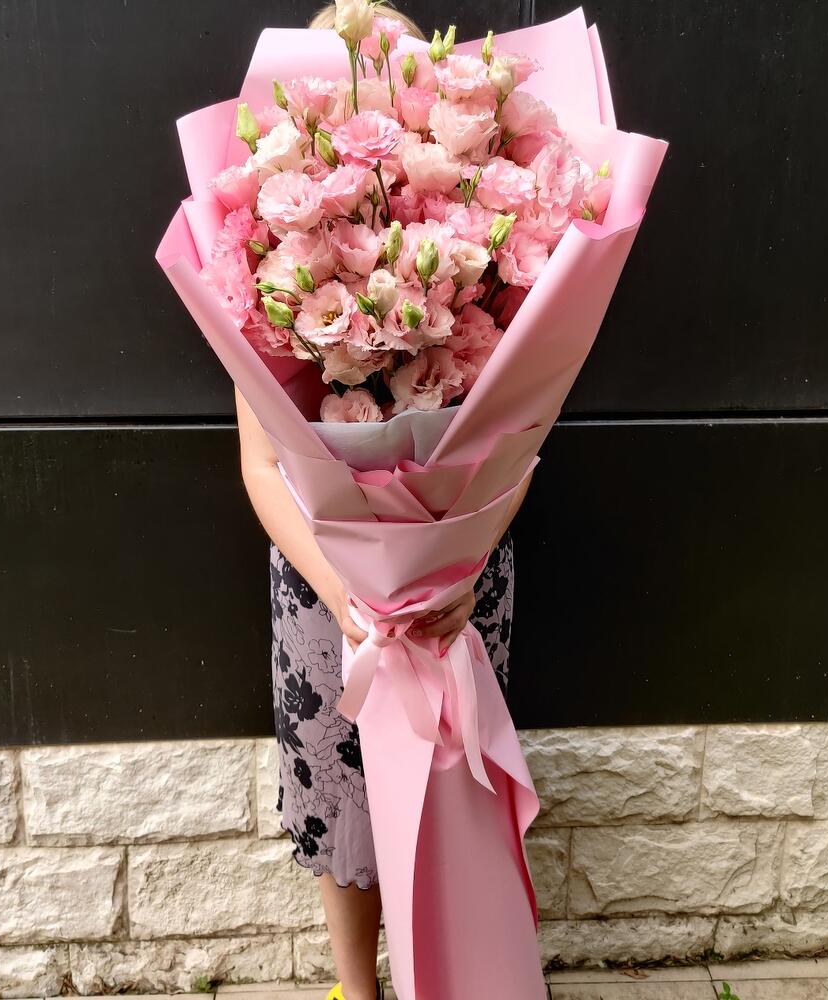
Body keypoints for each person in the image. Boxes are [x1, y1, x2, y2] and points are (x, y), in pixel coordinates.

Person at [234, 7, 532, 999]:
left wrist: (466, 565)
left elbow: (520, 444)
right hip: (325, 585)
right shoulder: (269, 278)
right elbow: (261, 467)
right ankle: (356, 989)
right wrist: (344, 594)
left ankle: (447, 979)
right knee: (342, 792)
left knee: (451, 789)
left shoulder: (479, 273)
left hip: (455, 585)